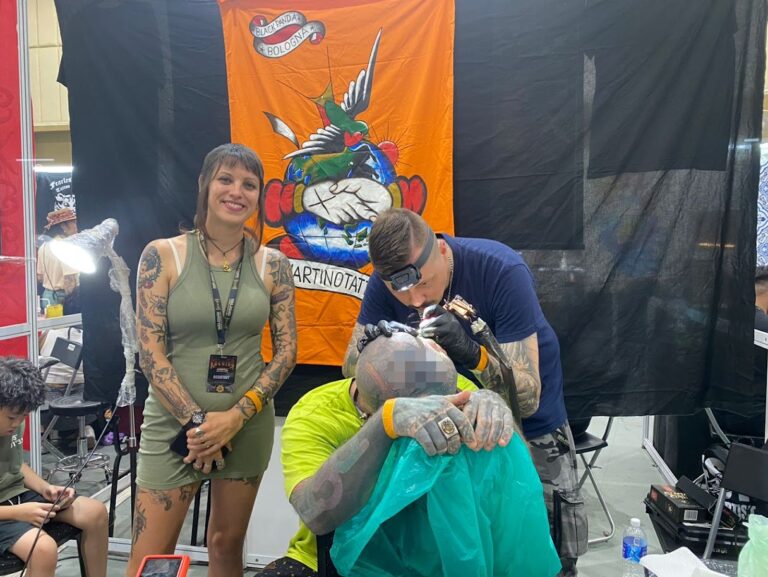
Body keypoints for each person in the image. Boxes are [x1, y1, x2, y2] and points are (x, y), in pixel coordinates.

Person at [342, 208, 586, 576]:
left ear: (441, 249)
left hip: (530, 434)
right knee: (454, 554)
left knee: (542, 555)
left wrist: (475, 355)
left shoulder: (500, 270)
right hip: (449, 437)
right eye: (401, 292)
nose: (415, 300)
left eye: (424, 284)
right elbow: (349, 366)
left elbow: (528, 398)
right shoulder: (385, 282)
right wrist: (375, 346)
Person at [125, 143, 297, 577]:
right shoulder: (162, 255)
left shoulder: (273, 265)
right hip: (173, 425)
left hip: (247, 425)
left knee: (226, 544)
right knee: (150, 559)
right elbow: (150, 352)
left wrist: (236, 418)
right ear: (204, 184)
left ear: (259, 197)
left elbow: (286, 351)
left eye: (249, 184)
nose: (236, 191)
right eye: (226, 179)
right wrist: (200, 425)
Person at [259, 330, 527, 576]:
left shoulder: (444, 383)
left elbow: (517, 476)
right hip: (334, 559)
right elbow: (315, 515)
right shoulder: (316, 414)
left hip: (433, 555)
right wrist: (384, 424)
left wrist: (497, 412)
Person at [0, 357, 108, 577]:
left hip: (17, 497)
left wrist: (46, 488)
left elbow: (16, 464)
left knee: (95, 513)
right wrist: (18, 513)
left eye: (23, 416)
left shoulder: (12, 424)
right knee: (43, 549)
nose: (17, 423)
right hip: (5, 511)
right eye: (12, 417)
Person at [37, 207, 79, 311]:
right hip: (62, 298)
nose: (76, 226)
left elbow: (39, 277)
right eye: (73, 222)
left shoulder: (44, 246)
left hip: (47, 296)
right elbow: (70, 279)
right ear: (63, 226)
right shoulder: (66, 246)